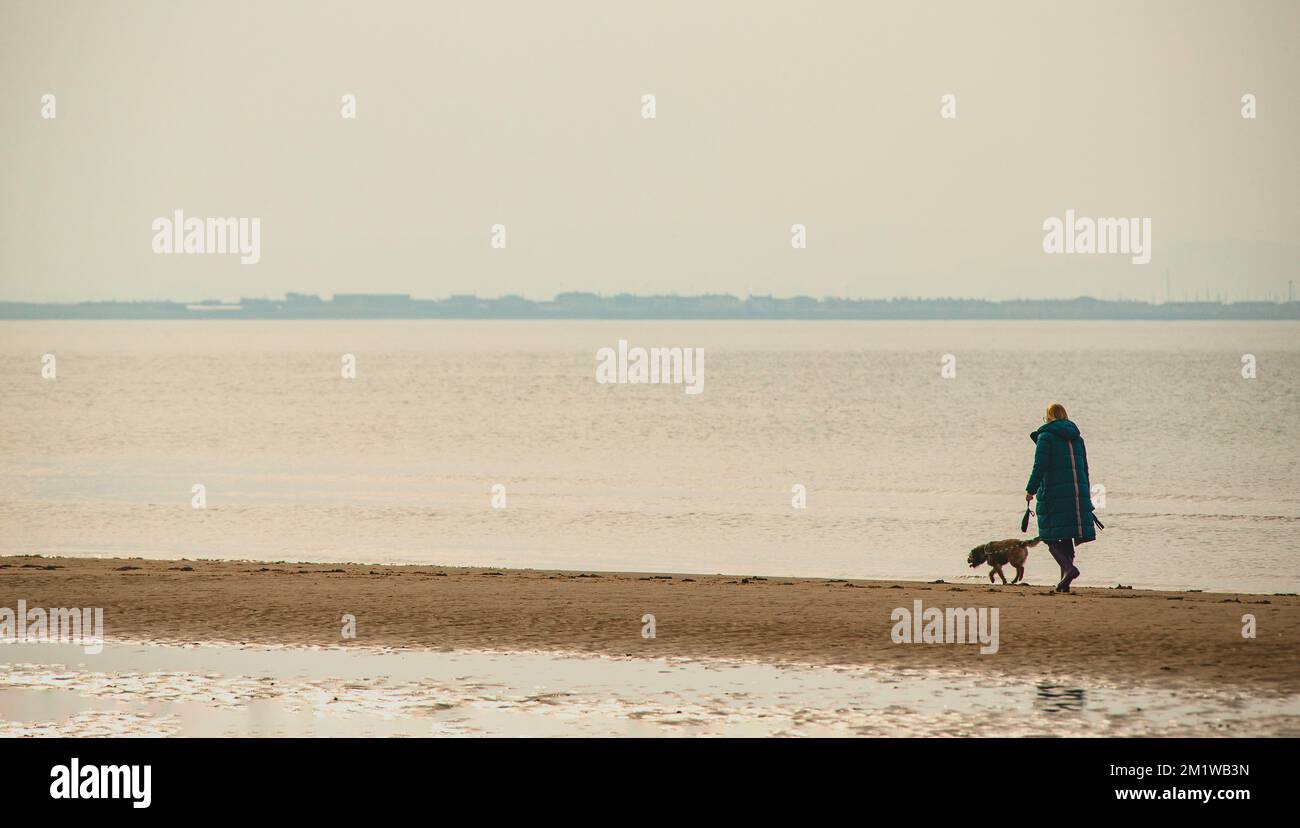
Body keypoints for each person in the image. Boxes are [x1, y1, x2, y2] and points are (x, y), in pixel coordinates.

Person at [1025, 403, 1096, 592]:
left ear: (1048, 417)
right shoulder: (1077, 438)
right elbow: (1085, 469)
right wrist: (1085, 495)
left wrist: (1030, 490)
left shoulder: (1045, 437)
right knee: (1065, 537)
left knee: (1049, 535)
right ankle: (1064, 582)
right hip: (1077, 493)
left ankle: (1068, 569)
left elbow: (1039, 466)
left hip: (1054, 493)